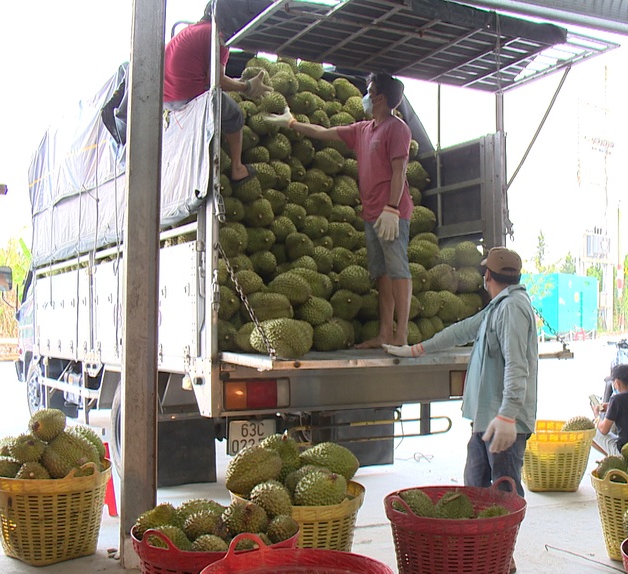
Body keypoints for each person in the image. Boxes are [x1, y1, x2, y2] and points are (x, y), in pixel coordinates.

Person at [265, 74, 413, 348]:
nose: (365, 97)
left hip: (392, 213)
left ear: (380, 97)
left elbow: (399, 170)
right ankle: (384, 334)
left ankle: (401, 336)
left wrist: (392, 208)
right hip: (371, 214)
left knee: (398, 270)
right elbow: (324, 133)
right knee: (382, 275)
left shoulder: (397, 128)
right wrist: (292, 122)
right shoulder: (363, 129)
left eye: (369, 91)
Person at [381, 247, 537, 497]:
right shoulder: (498, 307)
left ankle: (503, 537)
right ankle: (482, 537)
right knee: (474, 489)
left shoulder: (512, 309)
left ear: (488, 276)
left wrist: (508, 416)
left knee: (504, 495)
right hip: (486, 419)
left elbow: (517, 366)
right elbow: (461, 331)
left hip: (505, 423)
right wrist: (417, 349)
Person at [164, 0, 273, 184]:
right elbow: (217, 80)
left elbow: (211, 77)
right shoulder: (217, 38)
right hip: (188, 95)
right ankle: (237, 169)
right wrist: (246, 87)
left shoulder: (193, 30)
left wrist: (242, 83)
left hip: (168, 98)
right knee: (235, 115)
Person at [592, 364, 628, 456]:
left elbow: (604, 429)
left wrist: (596, 414)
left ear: (617, 383)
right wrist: (610, 407)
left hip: (624, 451)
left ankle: (614, 459)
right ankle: (613, 458)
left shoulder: (616, 399)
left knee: (590, 432)